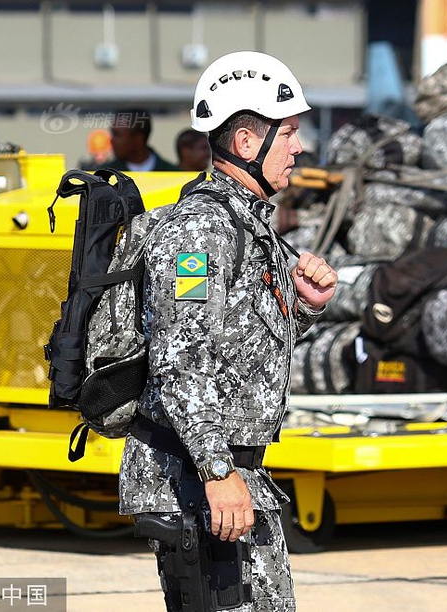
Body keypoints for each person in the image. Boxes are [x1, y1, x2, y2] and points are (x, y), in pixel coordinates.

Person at [120, 51, 337, 611]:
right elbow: (181, 356)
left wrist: (305, 305)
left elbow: (244, 346)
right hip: (200, 479)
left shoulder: (248, 225)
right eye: (288, 133)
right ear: (245, 142)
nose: (299, 146)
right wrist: (218, 471)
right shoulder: (200, 230)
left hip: (232, 473)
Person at [106, 109, 179, 171]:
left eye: (117, 135)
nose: (111, 140)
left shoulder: (175, 175)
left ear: (138, 139)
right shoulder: (103, 177)